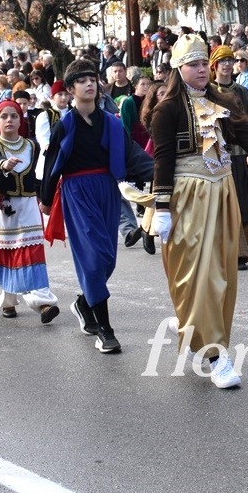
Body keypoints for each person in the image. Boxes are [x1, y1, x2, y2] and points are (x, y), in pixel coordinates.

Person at [147, 36, 248, 387]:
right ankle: (213, 352)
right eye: (193, 65)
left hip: (222, 193)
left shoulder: (220, 100)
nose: (201, 70)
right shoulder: (167, 109)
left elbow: (245, 133)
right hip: (186, 197)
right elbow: (163, 159)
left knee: (221, 274)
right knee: (194, 274)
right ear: (179, 68)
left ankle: (206, 341)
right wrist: (162, 206)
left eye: (203, 64)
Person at [41, 58, 155, 354]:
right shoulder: (65, 125)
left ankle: (84, 303)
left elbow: (133, 155)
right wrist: (45, 199)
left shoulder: (112, 123)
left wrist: (162, 174)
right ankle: (105, 330)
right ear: (70, 89)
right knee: (93, 259)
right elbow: (52, 163)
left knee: (107, 260)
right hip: (77, 193)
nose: (88, 84)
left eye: (92, 79)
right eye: (81, 80)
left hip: (107, 189)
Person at [0, 100, 60, 323]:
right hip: (2, 208)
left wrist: (46, 199)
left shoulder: (32, 146)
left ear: (21, 120)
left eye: (14, 116)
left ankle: (42, 302)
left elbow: (41, 174)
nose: (9, 120)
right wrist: (3, 165)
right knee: (6, 254)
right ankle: (7, 300)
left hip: (28, 206)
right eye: (4, 116)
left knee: (32, 252)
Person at [210, 45, 248, 269]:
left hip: (243, 156)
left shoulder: (242, 92)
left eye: (230, 60)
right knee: (227, 207)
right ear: (214, 65)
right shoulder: (207, 92)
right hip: (218, 159)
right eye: (222, 61)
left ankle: (239, 246)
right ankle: (236, 253)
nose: (227, 64)